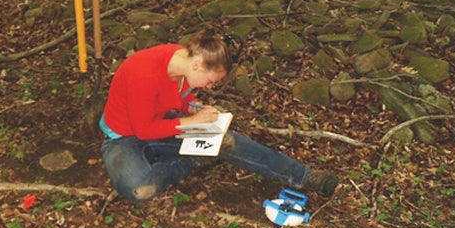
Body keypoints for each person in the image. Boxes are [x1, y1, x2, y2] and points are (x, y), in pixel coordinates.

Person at [99, 29, 339, 203]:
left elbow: (177, 97)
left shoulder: (184, 60)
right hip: (124, 137)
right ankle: (193, 160)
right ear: (198, 66)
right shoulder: (145, 76)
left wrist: (192, 108)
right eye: (211, 81)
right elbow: (143, 130)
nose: (211, 87)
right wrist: (190, 122)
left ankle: (303, 176)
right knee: (140, 189)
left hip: (161, 123)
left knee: (227, 140)